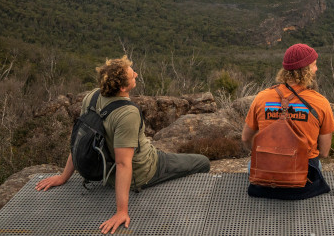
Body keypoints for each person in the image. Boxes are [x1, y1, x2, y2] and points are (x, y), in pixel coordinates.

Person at [36, 56, 210, 234]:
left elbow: (81, 140)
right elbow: (123, 163)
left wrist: (63, 177)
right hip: (143, 170)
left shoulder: (92, 97)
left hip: (105, 170)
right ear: (122, 87)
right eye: (132, 75)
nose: (135, 73)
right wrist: (121, 212)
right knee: (202, 162)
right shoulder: (127, 114)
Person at [241, 43, 334, 200]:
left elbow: (245, 138)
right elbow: (324, 152)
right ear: (305, 71)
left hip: (265, 180)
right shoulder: (321, 103)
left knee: (251, 165)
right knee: (316, 164)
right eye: (314, 65)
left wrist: (266, 155)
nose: (316, 69)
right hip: (302, 181)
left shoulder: (262, 98)